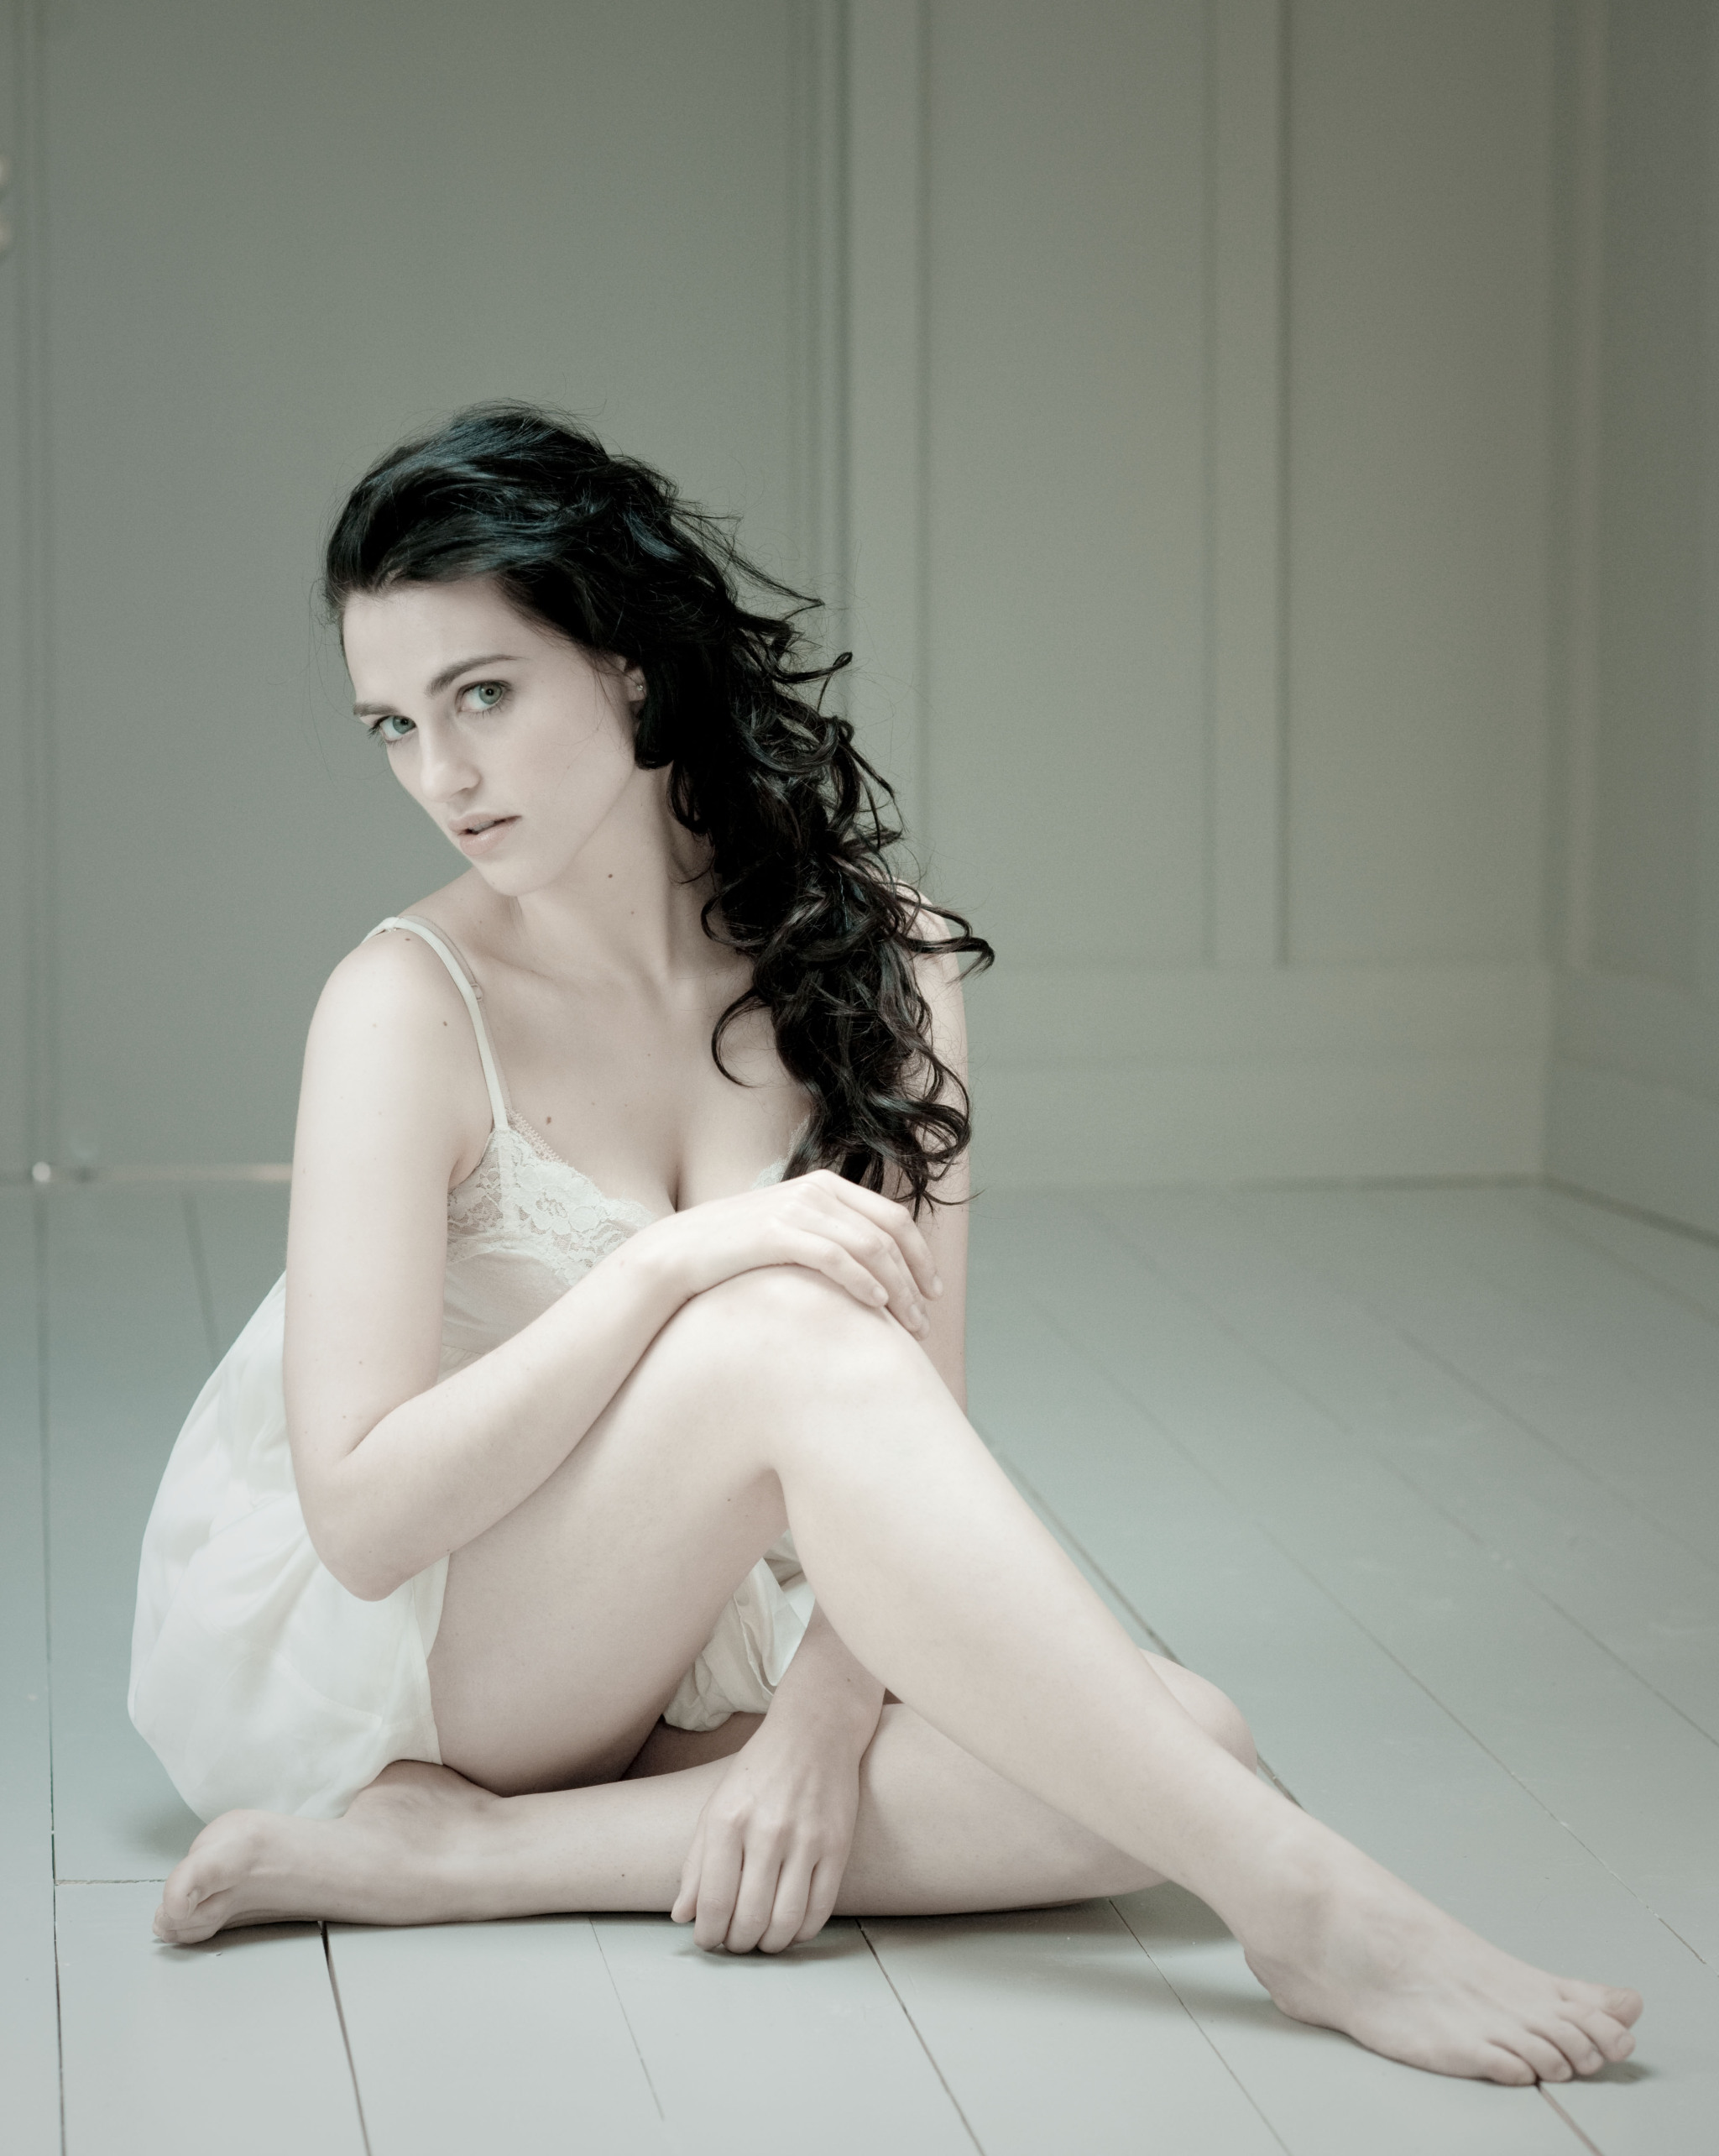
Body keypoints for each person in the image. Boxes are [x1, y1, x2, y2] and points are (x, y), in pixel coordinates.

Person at [133, 404, 1641, 2086]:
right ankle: (1309, 1906)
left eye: (481, 694)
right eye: (393, 726)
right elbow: (360, 1520)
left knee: (1182, 1741)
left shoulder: (882, 957)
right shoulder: (402, 1003)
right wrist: (669, 1267)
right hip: (434, 1642)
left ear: (627, 663)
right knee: (778, 1327)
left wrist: (820, 1725)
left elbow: (916, 1407)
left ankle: (478, 1856)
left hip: (685, 1612)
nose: (442, 777)